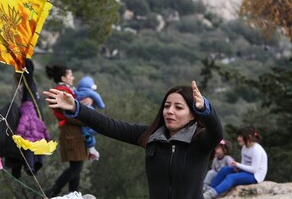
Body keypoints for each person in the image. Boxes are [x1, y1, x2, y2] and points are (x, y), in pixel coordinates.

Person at [44, 80, 223, 199]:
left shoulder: (200, 141)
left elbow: (216, 132)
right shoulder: (151, 137)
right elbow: (109, 125)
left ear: (193, 114)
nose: (170, 111)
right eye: (167, 106)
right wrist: (77, 107)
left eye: (179, 107)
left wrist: (206, 110)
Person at [44, 64, 87, 198]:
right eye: (70, 75)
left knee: (76, 165)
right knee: (76, 166)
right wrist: (88, 119)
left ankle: (74, 194)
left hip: (71, 130)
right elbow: (69, 114)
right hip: (71, 130)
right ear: (63, 78)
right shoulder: (63, 92)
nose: (73, 78)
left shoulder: (65, 90)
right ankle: (53, 191)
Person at [204, 126, 268, 199]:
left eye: (241, 136)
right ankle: (211, 189)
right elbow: (243, 164)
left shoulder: (256, 150)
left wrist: (238, 165)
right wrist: (238, 167)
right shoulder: (244, 148)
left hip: (256, 176)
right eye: (238, 136)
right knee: (224, 169)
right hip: (247, 172)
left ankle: (211, 194)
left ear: (249, 137)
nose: (238, 138)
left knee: (231, 177)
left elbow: (254, 169)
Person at [75, 75, 105, 161]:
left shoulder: (76, 92)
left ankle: (91, 149)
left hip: (80, 116)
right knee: (100, 127)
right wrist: (93, 100)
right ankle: (91, 147)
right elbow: (101, 105)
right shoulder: (92, 93)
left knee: (85, 132)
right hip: (90, 115)